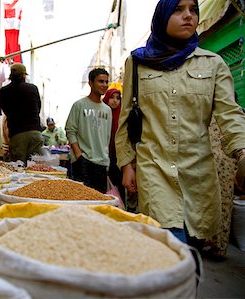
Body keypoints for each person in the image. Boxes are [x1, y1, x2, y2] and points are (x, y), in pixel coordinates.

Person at [115, 0, 245, 246]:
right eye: (178, 9)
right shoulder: (137, 63)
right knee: (173, 247)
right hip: (155, 171)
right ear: (162, 15)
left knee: (192, 253)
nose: (188, 16)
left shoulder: (213, 63)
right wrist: (126, 164)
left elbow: (230, 114)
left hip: (198, 177)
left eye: (193, 10)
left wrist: (242, 151)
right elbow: (126, 118)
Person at [65, 68, 111, 193]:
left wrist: (106, 159)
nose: (104, 85)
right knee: (81, 202)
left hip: (101, 162)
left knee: (99, 204)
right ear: (91, 83)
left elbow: (106, 137)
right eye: (100, 81)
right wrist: (79, 155)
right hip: (83, 162)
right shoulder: (79, 105)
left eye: (106, 82)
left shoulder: (107, 110)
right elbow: (70, 130)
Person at [0, 63, 43, 164]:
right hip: (35, 133)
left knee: (18, 166)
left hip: (17, 134)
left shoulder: (4, 91)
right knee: (34, 167)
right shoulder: (33, 88)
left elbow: (5, 110)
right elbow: (38, 108)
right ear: (23, 75)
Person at [102, 88, 125, 202]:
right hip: (103, 155)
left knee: (118, 185)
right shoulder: (102, 113)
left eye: (118, 98)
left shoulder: (123, 116)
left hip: (119, 156)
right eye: (112, 97)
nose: (115, 101)